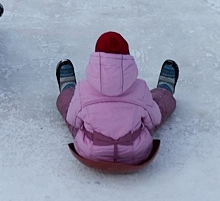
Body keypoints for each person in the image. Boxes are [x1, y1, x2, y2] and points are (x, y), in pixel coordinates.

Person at [55, 31, 178, 165]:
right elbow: (155, 119)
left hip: (92, 153)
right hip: (135, 153)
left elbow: (73, 120)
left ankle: (67, 88)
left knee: (70, 107)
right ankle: (165, 90)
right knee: (155, 108)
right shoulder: (140, 88)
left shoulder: (83, 89)